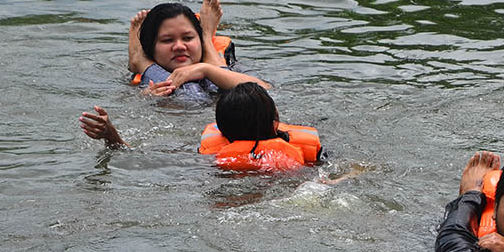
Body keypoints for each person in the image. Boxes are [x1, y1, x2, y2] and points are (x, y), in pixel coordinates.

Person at [81, 83, 324, 170]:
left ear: (222, 128)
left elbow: (140, 157)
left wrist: (112, 136)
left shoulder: (206, 157)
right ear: (275, 120)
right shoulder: (305, 156)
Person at [127, 0, 269, 100]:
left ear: (198, 40)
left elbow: (266, 91)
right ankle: (140, 58)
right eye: (167, 40)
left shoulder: (235, 69)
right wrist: (148, 99)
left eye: (188, 38)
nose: (179, 46)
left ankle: (139, 60)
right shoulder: (144, 86)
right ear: (150, 49)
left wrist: (206, 70)